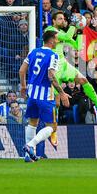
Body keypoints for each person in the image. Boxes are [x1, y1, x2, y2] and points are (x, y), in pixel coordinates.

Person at [44, 12, 97, 117]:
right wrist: (73, 23)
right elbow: (67, 36)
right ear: (53, 20)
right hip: (52, 65)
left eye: (63, 19)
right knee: (56, 102)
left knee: (83, 80)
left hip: (63, 64)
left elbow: (77, 46)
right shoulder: (49, 30)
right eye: (59, 19)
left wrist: (80, 30)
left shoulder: (61, 32)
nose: (62, 21)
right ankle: (53, 128)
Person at [20, 30, 71, 162]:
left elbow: (21, 70)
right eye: (56, 38)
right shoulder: (53, 55)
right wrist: (62, 93)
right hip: (45, 95)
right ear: (51, 40)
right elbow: (51, 76)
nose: (58, 41)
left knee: (32, 123)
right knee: (52, 126)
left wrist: (23, 86)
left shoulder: (33, 52)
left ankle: (28, 156)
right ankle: (30, 145)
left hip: (32, 94)